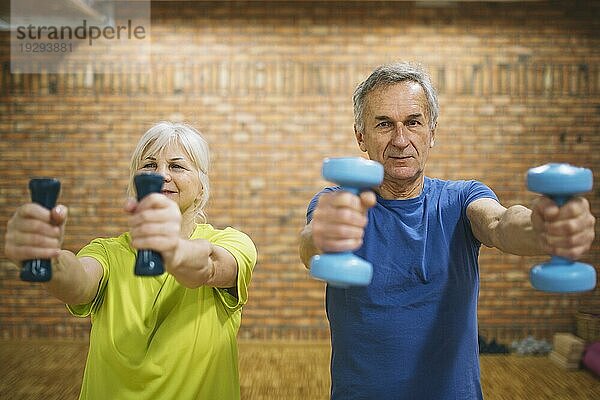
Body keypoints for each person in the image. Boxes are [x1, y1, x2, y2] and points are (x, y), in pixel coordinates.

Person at [298, 62, 596, 399]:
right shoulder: (338, 203)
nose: (401, 139)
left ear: (432, 133)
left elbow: (499, 223)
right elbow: (311, 245)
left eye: (413, 123)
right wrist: (322, 235)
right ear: (360, 136)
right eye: (384, 124)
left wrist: (543, 227)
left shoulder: (461, 198)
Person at [4, 121, 257, 399]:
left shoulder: (233, 242)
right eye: (149, 165)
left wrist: (171, 249)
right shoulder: (108, 251)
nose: (161, 176)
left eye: (177, 166)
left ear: (201, 187)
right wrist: (46, 257)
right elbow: (77, 282)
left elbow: (209, 267)